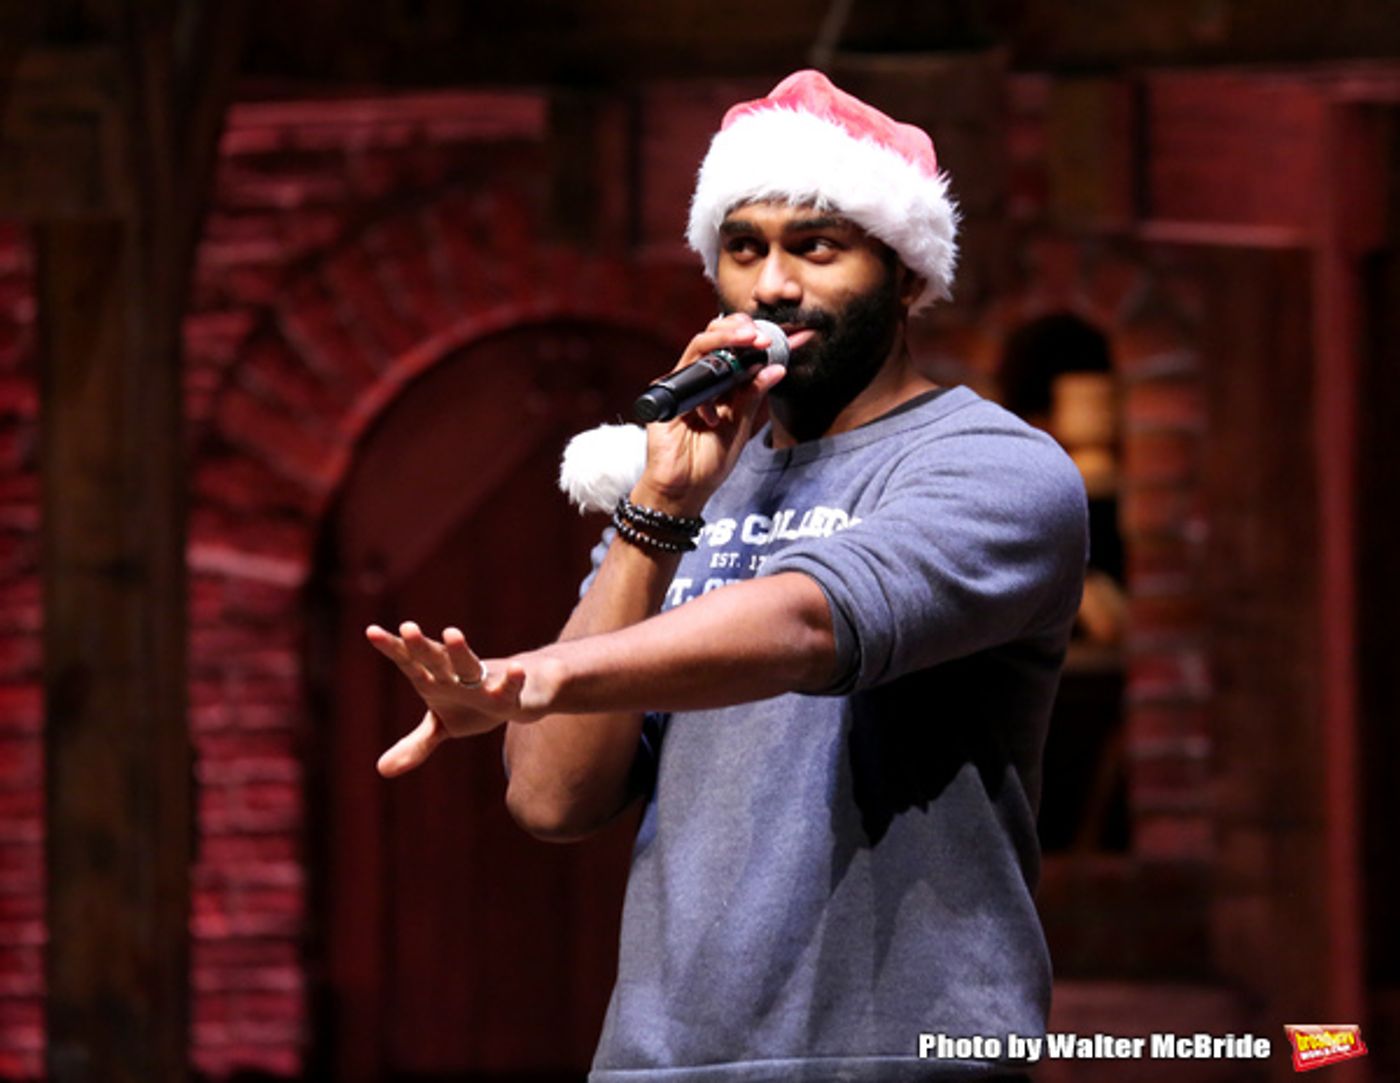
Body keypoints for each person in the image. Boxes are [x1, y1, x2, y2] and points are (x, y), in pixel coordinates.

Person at [367, 70, 1088, 1082]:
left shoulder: (992, 468)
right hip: (661, 1061)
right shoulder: (689, 497)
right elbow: (551, 796)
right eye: (743, 248)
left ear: (904, 276)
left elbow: (806, 624)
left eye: (816, 248)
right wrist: (657, 513)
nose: (772, 287)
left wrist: (540, 675)